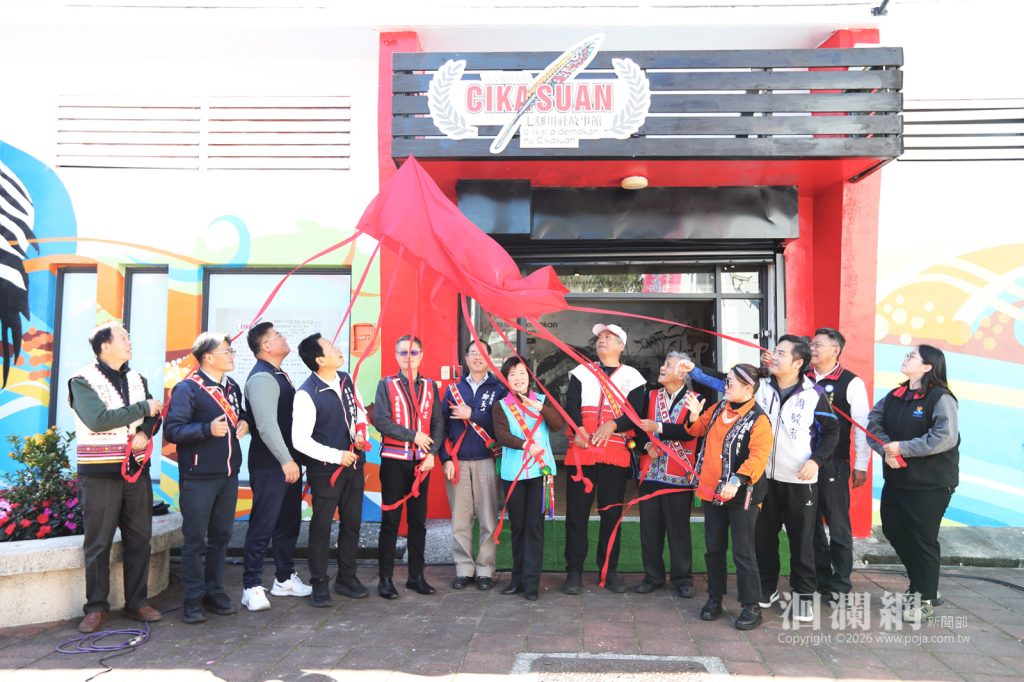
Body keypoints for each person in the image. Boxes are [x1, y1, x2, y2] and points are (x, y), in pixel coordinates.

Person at [68, 323, 164, 634]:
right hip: (99, 474)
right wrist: (143, 408)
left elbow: (154, 415)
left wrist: (144, 432)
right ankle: (96, 607)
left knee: (140, 538)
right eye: (123, 338)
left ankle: (137, 602)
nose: (129, 341)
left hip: (136, 470)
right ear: (105, 346)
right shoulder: (82, 380)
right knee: (99, 543)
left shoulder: (138, 378)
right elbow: (97, 420)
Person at [868, 344, 959, 622]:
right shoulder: (895, 395)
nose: (906, 358)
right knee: (894, 530)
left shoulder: (940, 398)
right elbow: (873, 424)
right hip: (898, 480)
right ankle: (923, 582)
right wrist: (886, 449)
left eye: (912, 356)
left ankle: (924, 597)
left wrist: (903, 448)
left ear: (928, 366)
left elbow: (945, 437)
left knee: (922, 540)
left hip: (930, 484)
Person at [164, 332, 249, 624]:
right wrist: (205, 429)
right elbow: (172, 431)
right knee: (195, 540)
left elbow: (242, 413)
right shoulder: (188, 389)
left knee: (221, 536)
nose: (231, 355)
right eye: (226, 351)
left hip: (228, 474)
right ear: (208, 357)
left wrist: (245, 422)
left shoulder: (232, 386)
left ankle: (215, 591)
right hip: (198, 477)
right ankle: (192, 598)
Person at [754, 335, 839, 624]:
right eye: (775, 351)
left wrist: (816, 461)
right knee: (763, 537)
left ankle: (803, 596)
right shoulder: (761, 387)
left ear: (798, 362)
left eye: (781, 353)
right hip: (764, 478)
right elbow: (725, 381)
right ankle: (766, 588)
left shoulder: (814, 393)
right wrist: (694, 370)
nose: (774, 356)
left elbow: (832, 432)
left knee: (802, 541)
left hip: (800, 481)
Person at [684, 364, 773, 630]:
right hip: (712, 490)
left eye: (730, 382)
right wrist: (694, 415)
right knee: (714, 548)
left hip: (741, 493)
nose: (725, 386)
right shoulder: (718, 408)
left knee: (743, 551)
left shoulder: (759, 420)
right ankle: (715, 598)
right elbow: (696, 430)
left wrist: (736, 481)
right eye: (726, 381)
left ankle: (751, 605)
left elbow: (758, 457)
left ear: (748, 388)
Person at [562, 323, 647, 594]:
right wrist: (578, 428)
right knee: (576, 514)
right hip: (582, 452)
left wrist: (614, 425)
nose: (602, 340)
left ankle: (608, 570)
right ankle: (573, 571)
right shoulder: (582, 371)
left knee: (611, 515)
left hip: (614, 454)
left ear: (621, 346)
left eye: (609, 337)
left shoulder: (633, 377)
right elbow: (570, 404)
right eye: (600, 337)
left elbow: (635, 413)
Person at [292, 333, 369, 607]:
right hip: (326, 471)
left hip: (354, 465)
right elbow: (300, 440)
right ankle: (319, 582)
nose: (338, 349)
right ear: (320, 360)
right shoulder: (306, 394)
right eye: (331, 348)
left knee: (352, 523)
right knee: (321, 526)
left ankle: (347, 577)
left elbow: (360, 413)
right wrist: (336, 456)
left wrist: (361, 434)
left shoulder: (346, 380)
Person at [240, 322, 311, 612]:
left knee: (287, 523)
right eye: (278, 335)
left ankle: (284, 578)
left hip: (287, 464)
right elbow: (266, 426)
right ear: (266, 346)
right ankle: (251, 586)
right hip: (271, 465)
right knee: (263, 525)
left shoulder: (278, 374)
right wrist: (285, 460)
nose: (284, 338)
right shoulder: (262, 377)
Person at [372, 335, 444, 599]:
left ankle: (416, 576)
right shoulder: (386, 384)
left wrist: (432, 453)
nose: (408, 357)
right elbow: (381, 421)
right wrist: (413, 436)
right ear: (396, 355)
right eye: (403, 352)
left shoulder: (430, 386)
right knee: (391, 521)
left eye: (413, 352)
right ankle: (385, 579)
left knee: (418, 522)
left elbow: (438, 423)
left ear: (421, 355)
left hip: (422, 464)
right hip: (393, 462)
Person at [492, 356, 565, 601]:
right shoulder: (501, 405)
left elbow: (558, 424)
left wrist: (539, 408)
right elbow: (501, 435)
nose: (518, 378)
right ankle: (517, 579)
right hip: (513, 472)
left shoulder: (543, 400)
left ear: (530, 376)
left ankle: (531, 582)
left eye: (522, 373)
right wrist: (525, 444)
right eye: (512, 374)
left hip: (539, 473)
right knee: (518, 526)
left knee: (534, 526)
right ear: (506, 379)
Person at [806, 327, 870, 603]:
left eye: (819, 345)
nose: (813, 349)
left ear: (836, 350)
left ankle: (841, 582)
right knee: (811, 526)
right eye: (812, 344)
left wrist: (861, 464)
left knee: (838, 524)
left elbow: (862, 426)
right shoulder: (802, 377)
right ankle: (822, 580)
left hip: (834, 463)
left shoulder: (851, 382)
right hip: (803, 464)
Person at [440, 340, 505, 591]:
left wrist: (473, 415)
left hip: (487, 461)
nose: (477, 357)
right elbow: (441, 427)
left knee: (488, 519)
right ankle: (464, 569)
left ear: (490, 358)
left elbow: (502, 425)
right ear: (465, 359)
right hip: (457, 463)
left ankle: (485, 570)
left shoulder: (499, 389)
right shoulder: (453, 390)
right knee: (460, 519)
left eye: (482, 353)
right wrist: (445, 459)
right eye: (472, 353)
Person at [634, 351, 698, 598]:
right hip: (651, 472)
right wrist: (646, 445)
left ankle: (683, 578)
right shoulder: (650, 395)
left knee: (678, 530)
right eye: (664, 364)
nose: (662, 367)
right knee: (649, 531)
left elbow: (690, 432)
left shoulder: (695, 400)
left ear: (682, 373)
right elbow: (638, 427)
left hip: (679, 476)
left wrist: (658, 427)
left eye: (668, 365)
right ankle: (653, 576)